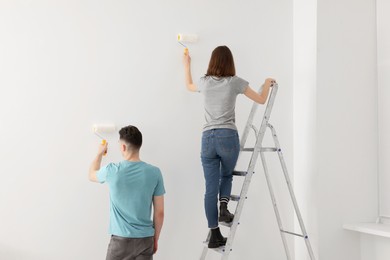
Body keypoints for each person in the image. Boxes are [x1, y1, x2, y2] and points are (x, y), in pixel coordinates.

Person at [182, 45, 275, 248]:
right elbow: (261, 99)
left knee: (209, 189)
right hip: (227, 136)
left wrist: (186, 64)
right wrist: (267, 83)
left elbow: (188, 84)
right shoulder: (234, 82)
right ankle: (224, 208)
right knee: (226, 175)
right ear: (230, 62)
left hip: (207, 138)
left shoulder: (204, 83)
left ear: (212, 62)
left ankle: (214, 234)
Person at [88, 125, 165, 260]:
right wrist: (155, 239)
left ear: (123, 147)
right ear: (139, 145)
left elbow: (91, 174)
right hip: (145, 240)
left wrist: (100, 153)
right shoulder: (155, 172)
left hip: (120, 242)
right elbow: (159, 213)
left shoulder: (112, 171)